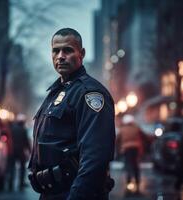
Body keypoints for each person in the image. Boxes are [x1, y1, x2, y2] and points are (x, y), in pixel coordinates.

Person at [28, 28, 116, 200]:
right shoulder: (56, 93)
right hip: (52, 193)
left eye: (67, 50)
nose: (60, 56)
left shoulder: (90, 93)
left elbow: (95, 159)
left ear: (81, 54)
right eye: (55, 50)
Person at [116, 114, 143, 193]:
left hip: (126, 149)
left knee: (128, 165)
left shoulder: (122, 129)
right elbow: (144, 136)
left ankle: (128, 183)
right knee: (135, 165)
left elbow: (117, 139)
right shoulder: (136, 128)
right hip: (136, 148)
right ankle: (137, 183)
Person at [8, 114, 31, 191]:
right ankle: (21, 184)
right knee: (22, 168)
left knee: (11, 168)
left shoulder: (12, 128)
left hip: (12, 151)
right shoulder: (23, 129)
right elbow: (26, 141)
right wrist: (30, 150)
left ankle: (10, 185)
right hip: (20, 151)